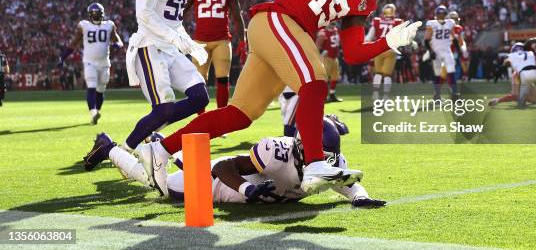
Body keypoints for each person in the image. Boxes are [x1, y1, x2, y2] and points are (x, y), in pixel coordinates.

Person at [135, 0, 420, 197]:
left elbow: (353, 52)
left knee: (239, 115)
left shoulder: (366, 1)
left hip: (282, 35)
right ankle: (314, 162)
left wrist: (388, 42)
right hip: (278, 20)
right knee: (315, 82)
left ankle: (161, 149)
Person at [83, 0, 210, 179]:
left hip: (169, 47)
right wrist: (177, 39)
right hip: (149, 46)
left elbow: (175, 21)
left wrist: (190, 43)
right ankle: (121, 151)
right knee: (163, 109)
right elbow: (144, 14)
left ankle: (151, 137)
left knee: (200, 98)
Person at [83, 117, 385, 207]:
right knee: (159, 187)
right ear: (300, 146)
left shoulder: (330, 161)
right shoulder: (276, 151)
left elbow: (346, 182)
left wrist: (361, 197)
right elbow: (223, 169)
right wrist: (247, 191)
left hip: (233, 178)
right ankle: (109, 148)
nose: (323, 161)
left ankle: (169, 151)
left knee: (186, 163)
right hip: (219, 184)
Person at [186, 0, 246, 108]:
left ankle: (221, 118)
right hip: (200, 42)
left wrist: (242, 40)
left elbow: (237, 15)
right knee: (198, 81)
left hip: (221, 40)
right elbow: (183, 11)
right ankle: (200, 117)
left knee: (223, 78)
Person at [59, 3, 123, 124]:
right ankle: (93, 112)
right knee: (92, 86)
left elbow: (118, 40)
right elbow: (73, 43)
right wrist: (63, 57)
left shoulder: (109, 25)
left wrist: (118, 45)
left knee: (101, 89)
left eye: (97, 14)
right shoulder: (84, 26)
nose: (95, 16)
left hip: (104, 63)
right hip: (90, 62)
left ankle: (96, 112)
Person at [423, 5, 465, 99]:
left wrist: (459, 50)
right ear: (436, 15)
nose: (441, 16)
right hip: (436, 51)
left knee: (451, 70)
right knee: (437, 73)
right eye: (439, 14)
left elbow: (453, 38)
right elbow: (426, 39)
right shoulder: (432, 24)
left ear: (446, 14)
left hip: (447, 50)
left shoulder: (450, 23)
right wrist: (430, 51)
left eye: (443, 14)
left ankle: (454, 93)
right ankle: (437, 95)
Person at [366, 3, 403, 100]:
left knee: (378, 73)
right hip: (390, 49)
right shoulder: (397, 22)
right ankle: (385, 96)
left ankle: (375, 94)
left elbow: (369, 37)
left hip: (379, 49)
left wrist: (364, 46)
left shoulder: (377, 21)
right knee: (387, 75)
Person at [316, 23, 342, 102]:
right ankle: (323, 96)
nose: (333, 25)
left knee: (335, 77)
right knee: (324, 78)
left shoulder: (335, 30)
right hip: (326, 58)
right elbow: (318, 45)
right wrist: (321, 52)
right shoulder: (323, 32)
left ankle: (332, 94)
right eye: (331, 23)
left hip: (335, 58)